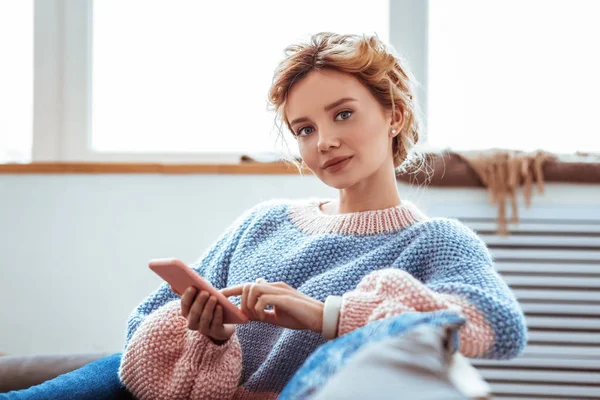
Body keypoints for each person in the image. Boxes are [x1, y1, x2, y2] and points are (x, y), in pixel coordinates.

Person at [116, 32, 527, 400]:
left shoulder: (436, 241)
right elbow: (143, 325)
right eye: (305, 130)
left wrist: (327, 316)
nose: (324, 142)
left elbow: (501, 326)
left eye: (343, 114)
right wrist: (211, 336)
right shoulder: (264, 222)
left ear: (395, 116)